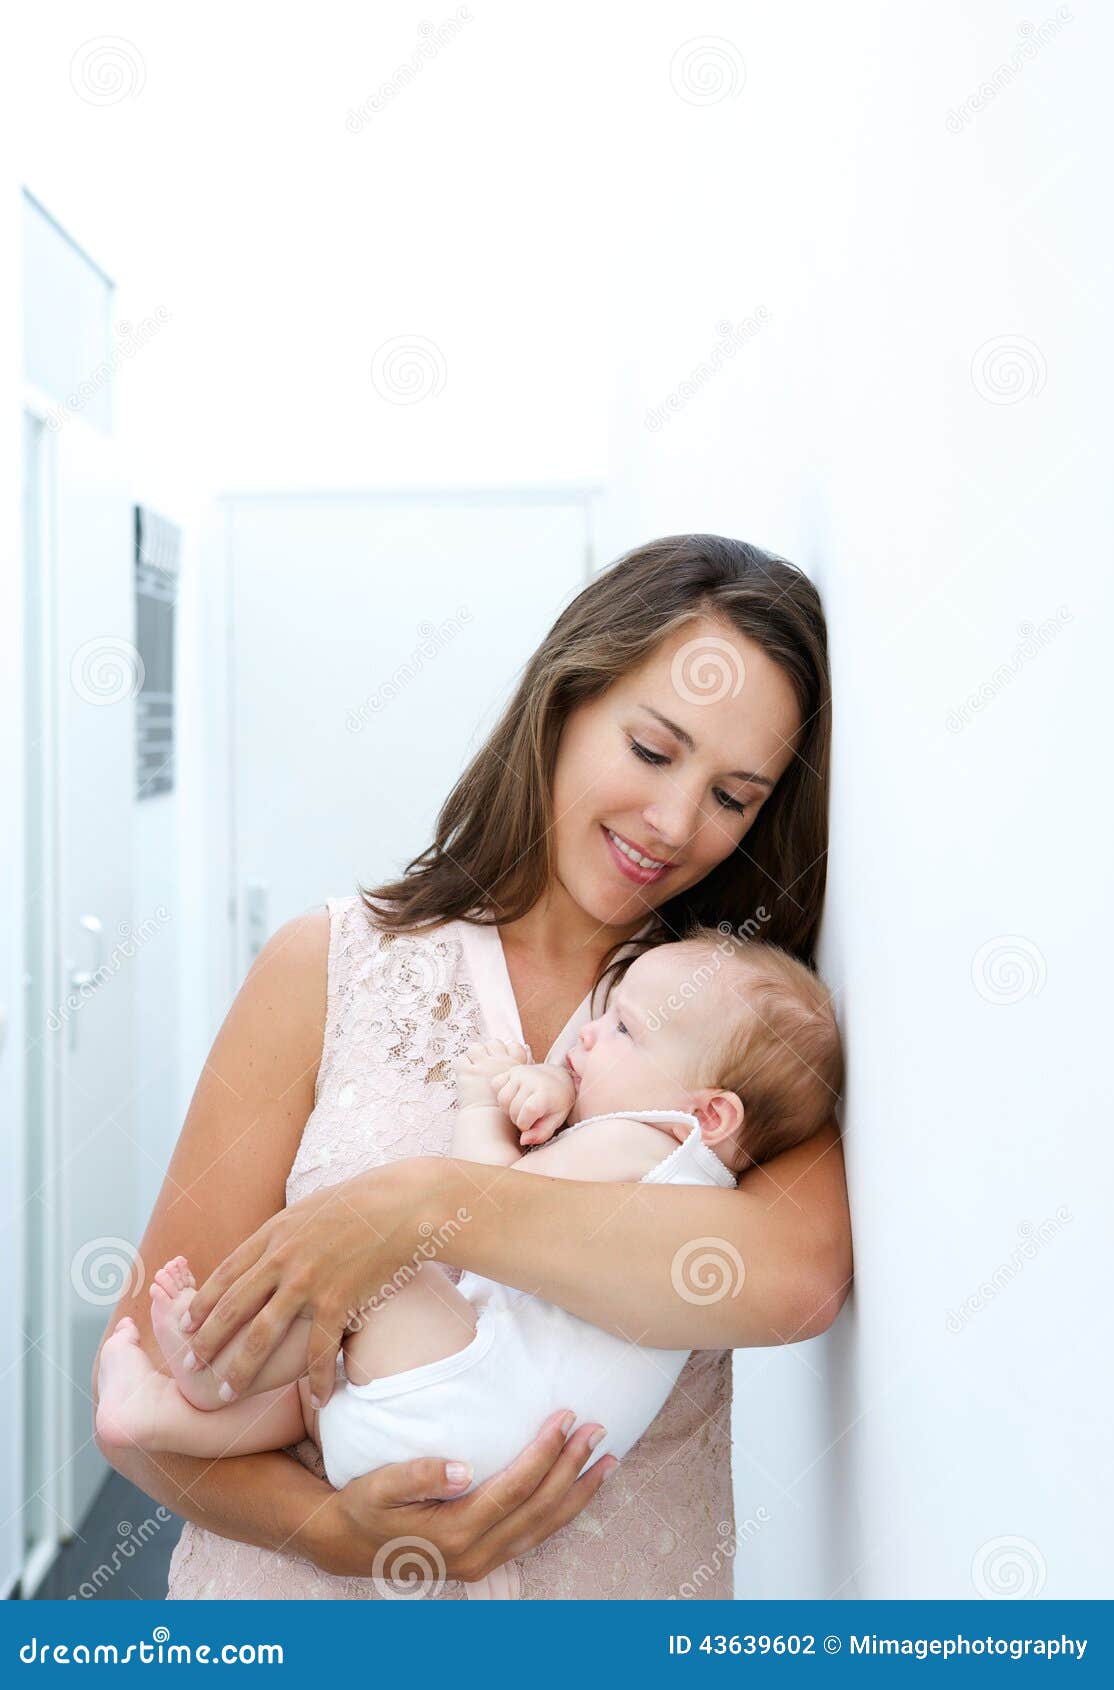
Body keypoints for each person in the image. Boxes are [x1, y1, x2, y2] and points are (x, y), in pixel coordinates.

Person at [92, 533, 853, 1600]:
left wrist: (416, 1207)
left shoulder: (747, 1030)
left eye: (733, 796)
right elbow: (146, 1390)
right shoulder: (328, 966)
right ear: (563, 705)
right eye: (649, 749)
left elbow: (794, 1279)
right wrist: (334, 1532)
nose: (675, 823)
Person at [93, 929, 842, 1510]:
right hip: (479, 1438)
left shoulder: (635, 1143)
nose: (588, 1033)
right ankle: (161, 1415)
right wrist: (560, 1088)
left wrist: (486, 1102)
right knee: (318, 1380)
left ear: (707, 1112)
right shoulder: (699, 1182)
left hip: (464, 1407)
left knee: (367, 1270)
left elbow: (484, 1203)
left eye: (623, 1030)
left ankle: (208, 1372)